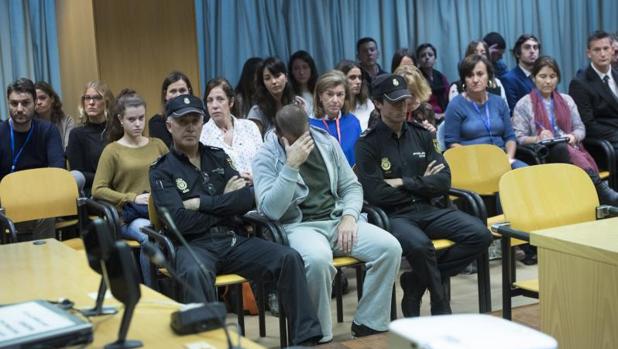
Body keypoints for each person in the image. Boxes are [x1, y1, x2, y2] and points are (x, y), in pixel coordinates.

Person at [149, 95, 323, 346]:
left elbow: (246, 199)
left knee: (289, 258)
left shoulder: (217, 156)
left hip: (232, 239)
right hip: (192, 245)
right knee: (195, 272)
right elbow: (178, 221)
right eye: (182, 121)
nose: (189, 127)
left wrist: (203, 204)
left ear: (202, 122)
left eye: (195, 120)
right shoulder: (161, 169)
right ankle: (208, 344)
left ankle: (305, 340)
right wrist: (224, 202)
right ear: (169, 126)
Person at [252, 104, 401, 341]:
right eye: (295, 139)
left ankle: (368, 324)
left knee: (389, 248)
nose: (304, 142)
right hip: (298, 226)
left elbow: (351, 186)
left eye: (306, 135)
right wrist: (291, 166)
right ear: (281, 137)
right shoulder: (265, 156)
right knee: (317, 260)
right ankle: (319, 336)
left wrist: (350, 217)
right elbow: (271, 210)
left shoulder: (326, 142)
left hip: (337, 220)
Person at [355, 74, 491, 318]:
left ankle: (416, 283)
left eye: (404, 101)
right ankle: (440, 303)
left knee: (480, 234)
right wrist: (421, 184)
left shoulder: (422, 134)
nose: (401, 107)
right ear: (377, 103)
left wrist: (404, 183)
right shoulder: (367, 144)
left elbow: (442, 181)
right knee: (420, 246)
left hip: (428, 209)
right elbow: (376, 193)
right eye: (393, 102)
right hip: (393, 217)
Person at [513, 56, 618, 205]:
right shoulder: (523, 104)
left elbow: (580, 128)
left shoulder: (567, 100)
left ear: (558, 78)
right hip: (542, 154)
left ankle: (594, 194)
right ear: (534, 78)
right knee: (560, 147)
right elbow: (519, 137)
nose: (548, 81)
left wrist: (573, 136)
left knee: (563, 146)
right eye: (543, 76)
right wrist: (537, 138)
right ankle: (599, 189)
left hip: (571, 148)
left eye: (552, 76)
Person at [92, 89, 168, 286]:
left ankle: (176, 291)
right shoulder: (112, 151)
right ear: (121, 119)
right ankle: (152, 294)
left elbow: (174, 174)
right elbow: (97, 189)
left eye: (141, 118)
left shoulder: (157, 145)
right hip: (129, 216)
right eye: (132, 119)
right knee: (149, 236)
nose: (137, 124)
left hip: (160, 211)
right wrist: (130, 197)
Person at [0, 78, 64, 240]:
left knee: (44, 212)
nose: (19, 109)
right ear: (8, 104)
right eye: (14, 104)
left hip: (39, 200)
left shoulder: (47, 130)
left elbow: (57, 171)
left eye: (25, 103)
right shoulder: (1, 132)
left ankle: (43, 260)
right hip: (6, 203)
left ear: (35, 103)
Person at [444, 54, 527, 169]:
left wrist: (508, 158)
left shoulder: (499, 102)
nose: (475, 80)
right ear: (464, 80)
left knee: (526, 174)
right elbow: (451, 142)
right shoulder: (456, 105)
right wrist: (477, 160)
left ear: (488, 76)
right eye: (469, 75)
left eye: (480, 74)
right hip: (472, 163)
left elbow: (510, 137)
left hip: (502, 159)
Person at [200, 77, 262, 175]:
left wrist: (254, 178)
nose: (214, 105)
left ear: (231, 102)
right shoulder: (201, 135)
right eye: (210, 100)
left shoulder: (250, 127)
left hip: (257, 186)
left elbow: (263, 162)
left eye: (220, 99)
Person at [569, 30, 618, 154]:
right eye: (597, 50)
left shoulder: (616, 75)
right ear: (589, 53)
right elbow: (588, 125)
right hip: (603, 142)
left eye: (606, 48)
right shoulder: (579, 83)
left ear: (612, 50)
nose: (602, 54)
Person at [66, 80, 114, 196]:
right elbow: (79, 175)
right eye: (87, 98)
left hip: (121, 188)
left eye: (97, 98)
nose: (91, 102)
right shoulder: (77, 134)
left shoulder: (116, 131)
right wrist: (108, 179)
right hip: (93, 192)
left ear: (106, 102)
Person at [309, 70, 361, 166]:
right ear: (320, 96)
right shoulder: (309, 126)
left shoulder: (353, 122)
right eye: (329, 94)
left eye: (340, 94)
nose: (335, 100)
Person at [248, 57, 303, 136]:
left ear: (286, 77)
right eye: (267, 78)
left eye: (277, 76)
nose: (274, 81)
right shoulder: (257, 111)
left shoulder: (298, 103)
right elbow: (254, 143)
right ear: (263, 82)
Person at [149, 71, 194, 148]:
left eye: (182, 90)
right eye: (173, 91)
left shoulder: (202, 116)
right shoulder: (157, 122)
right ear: (165, 95)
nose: (178, 95)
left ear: (189, 92)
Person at [501, 34, 541, 112]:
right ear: (517, 53)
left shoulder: (545, 77)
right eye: (527, 47)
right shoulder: (509, 79)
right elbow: (514, 111)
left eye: (535, 47)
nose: (532, 51)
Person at [393, 65, 436, 135]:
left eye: (414, 94)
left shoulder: (426, 110)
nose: (410, 100)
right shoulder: (385, 111)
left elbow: (435, 145)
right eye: (407, 94)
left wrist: (431, 135)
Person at [335, 60, 374, 131]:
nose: (358, 82)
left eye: (360, 77)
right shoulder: (334, 106)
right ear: (340, 79)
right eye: (352, 77)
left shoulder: (367, 103)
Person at [35, 81, 75, 149]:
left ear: (52, 99)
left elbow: (69, 149)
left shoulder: (67, 121)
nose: (38, 102)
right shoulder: (29, 123)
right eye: (35, 99)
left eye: (42, 98)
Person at [416, 43, 449, 118]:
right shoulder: (416, 78)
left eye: (430, 55)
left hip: (444, 115)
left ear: (435, 59)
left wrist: (446, 113)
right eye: (423, 55)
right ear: (418, 60)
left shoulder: (441, 77)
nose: (427, 57)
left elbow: (449, 97)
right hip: (425, 116)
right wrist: (433, 115)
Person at [289, 50, 319, 115]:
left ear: (311, 69)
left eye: (305, 67)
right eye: (296, 68)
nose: (301, 72)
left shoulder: (319, 91)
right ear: (292, 71)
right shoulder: (289, 95)